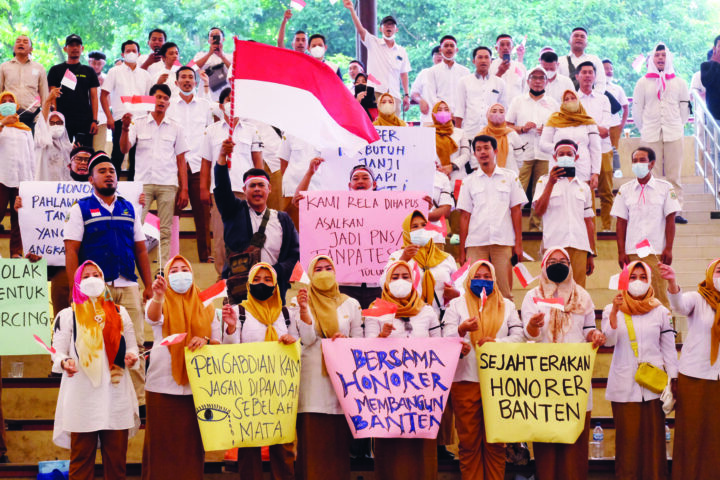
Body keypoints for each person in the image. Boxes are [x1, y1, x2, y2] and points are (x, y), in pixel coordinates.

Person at [63, 151, 153, 411]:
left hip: (128, 283)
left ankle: (139, 400)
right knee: (96, 340)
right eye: (102, 171)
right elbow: (71, 251)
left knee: (134, 340)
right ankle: (99, 397)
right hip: (94, 288)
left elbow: (140, 249)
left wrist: (147, 285)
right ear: (91, 179)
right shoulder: (79, 209)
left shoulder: (128, 207)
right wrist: (75, 288)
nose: (109, 174)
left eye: (112, 171)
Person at [521, 247, 605, 480]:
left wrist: (594, 336)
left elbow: (588, 329)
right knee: (546, 439)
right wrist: (534, 325)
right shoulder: (532, 296)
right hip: (544, 379)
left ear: (570, 265)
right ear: (544, 265)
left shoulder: (582, 296)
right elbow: (529, 336)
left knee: (574, 440)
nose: (558, 264)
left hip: (574, 379)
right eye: (553, 260)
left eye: (563, 261)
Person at [51, 260, 140, 479]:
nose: (92, 279)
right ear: (78, 283)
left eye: (96, 275)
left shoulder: (121, 313)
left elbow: (132, 349)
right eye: (86, 276)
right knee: (81, 460)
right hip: (82, 396)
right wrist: (64, 362)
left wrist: (131, 358)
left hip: (116, 395)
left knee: (117, 461)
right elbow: (58, 352)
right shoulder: (67, 315)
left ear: (104, 280)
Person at [142, 255, 225, 480]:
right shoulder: (160, 300)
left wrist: (205, 341)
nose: (180, 274)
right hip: (162, 385)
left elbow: (217, 340)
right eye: (174, 271)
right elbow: (152, 318)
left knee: (190, 447)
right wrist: (158, 296)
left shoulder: (206, 303)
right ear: (167, 277)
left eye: (184, 269)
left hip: (196, 387)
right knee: (161, 446)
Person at [444, 260, 525, 480]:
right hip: (465, 381)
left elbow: (519, 336)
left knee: (496, 443)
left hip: (499, 383)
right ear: (469, 279)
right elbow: (445, 339)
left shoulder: (506, 305)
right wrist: (461, 330)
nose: (483, 280)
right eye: (478, 276)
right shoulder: (456, 305)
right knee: (469, 443)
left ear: (495, 279)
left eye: (488, 277)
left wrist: (496, 344)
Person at [221, 262, 298, 480]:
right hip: (248, 392)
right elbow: (230, 352)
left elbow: (298, 345)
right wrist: (231, 328)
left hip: (280, 391)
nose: (261, 284)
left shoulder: (285, 314)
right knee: (249, 448)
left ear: (275, 285)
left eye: (267, 280)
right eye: (256, 279)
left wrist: (292, 341)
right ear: (248, 283)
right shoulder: (238, 312)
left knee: (283, 448)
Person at [364, 260, 440, 480]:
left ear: (413, 280)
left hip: (421, 393)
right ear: (387, 281)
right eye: (395, 277)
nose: (400, 281)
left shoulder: (426, 311)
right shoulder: (375, 310)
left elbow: (440, 346)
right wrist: (381, 337)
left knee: (420, 445)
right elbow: (365, 351)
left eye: (405, 276)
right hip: (388, 395)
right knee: (391, 446)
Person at [602, 260, 676, 480]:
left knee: (654, 444)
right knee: (628, 443)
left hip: (653, 386)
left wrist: (673, 379)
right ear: (625, 281)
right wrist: (615, 310)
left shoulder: (660, 310)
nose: (638, 282)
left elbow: (669, 348)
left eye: (643, 277)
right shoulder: (611, 308)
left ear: (650, 280)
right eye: (633, 277)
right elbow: (608, 340)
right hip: (624, 387)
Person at [291, 255, 362, 480]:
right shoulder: (299, 302)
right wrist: (304, 310)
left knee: (336, 439)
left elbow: (360, 342)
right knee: (312, 438)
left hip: (340, 381)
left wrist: (345, 341)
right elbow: (306, 339)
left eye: (328, 267)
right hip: (311, 380)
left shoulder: (350, 303)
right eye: (318, 269)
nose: (323, 272)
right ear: (311, 275)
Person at [214, 139, 299, 302]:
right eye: (252, 186)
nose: (257, 189)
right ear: (244, 190)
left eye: (261, 185)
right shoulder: (234, 212)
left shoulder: (283, 219)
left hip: (273, 289)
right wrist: (222, 156)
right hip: (240, 293)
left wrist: (275, 272)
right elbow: (222, 188)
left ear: (269, 189)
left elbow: (293, 254)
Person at [660, 259, 720, 479]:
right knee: (692, 433)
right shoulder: (698, 298)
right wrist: (672, 282)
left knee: (716, 434)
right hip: (694, 376)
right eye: (719, 270)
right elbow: (678, 306)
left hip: (718, 379)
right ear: (709, 273)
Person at [119, 83, 189, 269]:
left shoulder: (176, 127)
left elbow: (182, 160)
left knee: (166, 230)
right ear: (151, 99)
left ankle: (163, 269)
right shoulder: (137, 122)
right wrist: (125, 128)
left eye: (166, 98)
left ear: (168, 103)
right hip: (142, 184)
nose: (162, 101)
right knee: (136, 226)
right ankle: (131, 266)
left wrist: (184, 189)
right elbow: (124, 148)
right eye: (158, 97)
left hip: (168, 183)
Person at [201, 87, 264, 276]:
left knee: (249, 234)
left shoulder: (252, 130)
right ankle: (222, 275)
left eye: (235, 100)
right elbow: (206, 162)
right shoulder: (211, 131)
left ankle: (249, 275)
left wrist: (259, 186)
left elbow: (258, 162)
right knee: (220, 236)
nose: (232, 104)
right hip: (220, 191)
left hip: (246, 190)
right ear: (221, 105)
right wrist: (204, 188)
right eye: (228, 100)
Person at [457, 135, 527, 300]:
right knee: (474, 291)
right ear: (474, 154)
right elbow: (464, 217)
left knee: (504, 292)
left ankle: (506, 325)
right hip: (476, 242)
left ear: (495, 150)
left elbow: (516, 211)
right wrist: (462, 251)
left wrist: (518, 244)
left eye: (486, 148)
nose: (482, 152)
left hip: (503, 242)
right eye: (478, 149)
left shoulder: (510, 177)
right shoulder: (468, 181)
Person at [611, 146, 680, 308]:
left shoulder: (665, 188)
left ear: (651, 163)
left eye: (642, 160)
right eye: (635, 161)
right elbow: (621, 223)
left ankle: (666, 331)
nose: (638, 164)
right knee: (633, 295)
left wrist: (668, 248)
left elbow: (671, 219)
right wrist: (621, 251)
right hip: (632, 252)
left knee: (659, 296)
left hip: (655, 251)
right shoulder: (625, 189)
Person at [633, 43, 690, 224]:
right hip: (650, 133)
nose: (660, 58)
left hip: (673, 132)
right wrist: (644, 128)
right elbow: (637, 109)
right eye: (657, 55)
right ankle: (655, 211)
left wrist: (676, 126)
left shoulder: (679, 82)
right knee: (653, 176)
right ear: (652, 58)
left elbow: (684, 110)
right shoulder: (642, 83)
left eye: (663, 55)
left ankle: (676, 210)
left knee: (674, 175)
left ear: (669, 58)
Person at [167, 66, 214, 263]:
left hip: (197, 165)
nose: (187, 80)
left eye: (190, 77)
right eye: (183, 77)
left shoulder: (205, 106)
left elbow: (210, 134)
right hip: (172, 166)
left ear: (195, 82)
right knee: (169, 214)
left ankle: (206, 256)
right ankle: (169, 257)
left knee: (202, 214)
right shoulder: (168, 105)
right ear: (176, 82)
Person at [533, 140, 595, 286]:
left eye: (569, 154)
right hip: (554, 244)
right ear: (555, 157)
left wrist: (590, 252)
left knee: (578, 290)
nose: (565, 156)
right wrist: (551, 183)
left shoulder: (584, 187)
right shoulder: (543, 182)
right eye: (561, 154)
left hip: (579, 245)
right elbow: (539, 211)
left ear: (576, 157)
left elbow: (588, 221)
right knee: (553, 289)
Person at [506, 65, 559, 230]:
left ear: (546, 82)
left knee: (541, 190)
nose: (537, 81)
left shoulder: (552, 103)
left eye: (541, 78)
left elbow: (560, 129)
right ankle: (512, 226)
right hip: (523, 153)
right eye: (534, 78)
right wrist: (522, 128)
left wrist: (548, 131)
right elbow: (506, 126)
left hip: (544, 153)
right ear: (528, 81)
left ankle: (535, 227)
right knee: (517, 189)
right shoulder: (518, 101)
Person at [380, 209, 458, 316]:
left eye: (424, 225)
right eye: (415, 227)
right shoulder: (398, 256)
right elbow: (384, 283)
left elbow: (461, 287)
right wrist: (403, 260)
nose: (421, 229)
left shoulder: (446, 258)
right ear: (407, 232)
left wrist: (456, 293)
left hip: (441, 318)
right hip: (411, 318)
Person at [343, 0, 411, 114]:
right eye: (385, 25)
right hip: (375, 93)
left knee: (395, 129)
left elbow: (404, 74)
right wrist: (351, 9)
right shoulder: (373, 42)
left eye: (392, 25)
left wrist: (407, 95)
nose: (388, 27)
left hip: (394, 95)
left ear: (396, 30)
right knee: (376, 127)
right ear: (381, 29)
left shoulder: (402, 51)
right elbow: (360, 30)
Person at [101, 40, 153, 180]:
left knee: (137, 158)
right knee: (117, 156)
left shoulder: (145, 75)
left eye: (134, 51)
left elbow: (149, 99)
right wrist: (109, 117)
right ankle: (113, 189)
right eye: (128, 51)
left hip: (141, 120)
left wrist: (150, 120)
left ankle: (134, 190)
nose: (131, 53)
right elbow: (104, 95)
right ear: (122, 54)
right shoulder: (114, 72)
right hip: (120, 119)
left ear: (139, 53)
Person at [575, 61, 614, 231]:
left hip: (603, 148)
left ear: (595, 76)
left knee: (606, 191)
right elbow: (572, 127)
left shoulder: (603, 99)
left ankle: (606, 226)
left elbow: (605, 130)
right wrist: (591, 128)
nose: (588, 75)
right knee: (582, 191)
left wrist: (586, 127)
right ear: (577, 76)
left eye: (591, 72)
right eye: (584, 72)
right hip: (580, 151)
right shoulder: (572, 99)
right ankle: (584, 228)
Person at [540, 89, 601, 190]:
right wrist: (562, 149)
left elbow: (595, 149)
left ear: (578, 101)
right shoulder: (554, 119)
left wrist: (595, 173)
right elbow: (543, 144)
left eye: (573, 98)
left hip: (582, 168)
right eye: (566, 99)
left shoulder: (588, 121)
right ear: (562, 103)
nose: (570, 101)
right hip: (558, 167)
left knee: (582, 199)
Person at [47, 34, 99, 145]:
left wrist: (94, 120)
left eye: (77, 45)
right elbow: (52, 96)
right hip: (63, 120)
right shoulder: (55, 70)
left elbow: (94, 97)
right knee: (61, 154)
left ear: (82, 48)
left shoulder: (89, 71)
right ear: (65, 49)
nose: (74, 48)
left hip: (85, 120)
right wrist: (55, 117)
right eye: (71, 45)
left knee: (85, 153)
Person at [0, 90, 34, 258]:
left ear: (16, 105)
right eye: (3, 101)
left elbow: (31, 156)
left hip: (22, 179)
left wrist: (31, 181)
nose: (7, 103)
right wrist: (3, 123)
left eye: (10, 100)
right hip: (2, 177)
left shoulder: (25, 129)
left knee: (18, 219)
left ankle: (15, 253)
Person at [0, 35, 48, 132]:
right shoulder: (3, 67)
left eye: (25, 42)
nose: (21, 43)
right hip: (8, 116)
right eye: (18, 41)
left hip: (33, 117)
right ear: (14, 47)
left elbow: (45, 96)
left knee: (31, 147)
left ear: (31, 49)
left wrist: (44, 119)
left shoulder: (39, 68)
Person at [456, 46, 507, 138]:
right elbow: (459, 110)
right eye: (480, 57)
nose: (483, 60)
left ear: (491, 61)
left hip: (493, 133)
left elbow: (504, 110)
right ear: (474, 61)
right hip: (469, 132)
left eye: (486, 57)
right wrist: (458, 135)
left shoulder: (499, 82)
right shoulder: (464, 81)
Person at [423, 35, 471, 116]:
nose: (449, 48)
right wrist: (443, 112)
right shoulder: (432, 71)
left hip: (460, 116)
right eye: (446, 46)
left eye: (452, 46)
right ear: (440, 49)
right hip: (440, 116)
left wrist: (459, 114)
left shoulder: (465, 71)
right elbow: (431, 95)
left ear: (456, 50)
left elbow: (468, 96)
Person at [34, 95, 73, 181]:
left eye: (59, 123)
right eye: (52, 123)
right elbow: (41, 124)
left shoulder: (69, 147)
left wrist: (76, 153)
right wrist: (48, 101)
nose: (56, 125)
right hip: (46, 188)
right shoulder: (42, 142)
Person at [428, 100, 471, 180]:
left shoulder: (460, 132)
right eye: (439, 110)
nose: (443, 112)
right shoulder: (427, 133)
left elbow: (466, 155)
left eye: (446, 109)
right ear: (433, 114)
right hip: (435, 176)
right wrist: (435, 167)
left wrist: (452, 167)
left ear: (451, 114)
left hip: (457, 177)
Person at [558, 27, 607, 93]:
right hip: (566, 100)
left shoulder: (595, 60)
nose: (579, 38)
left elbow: (600, 83)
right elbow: (557, 84)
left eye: (582, 37)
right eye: (576, 36)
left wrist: (592, 98)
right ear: (569, 41)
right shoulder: (560, 61)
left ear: (587, 43)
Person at [192, 27, 233, 101]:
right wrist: (209, 54)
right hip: (204, 95)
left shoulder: (230, 57)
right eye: (212, 36)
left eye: (217, 35)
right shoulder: (200, 55)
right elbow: (192, 68)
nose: (214, 38)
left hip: (225, 97)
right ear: (208, 40)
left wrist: (222, 56)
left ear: (223, 39)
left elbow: (235, 72)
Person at [478, 103, 521, 173]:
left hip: (509, 175)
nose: (498, 114)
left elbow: (519, 156)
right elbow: (475, 159)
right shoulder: (481, 135)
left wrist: (514, 171)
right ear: (487, 115)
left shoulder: (512, 133)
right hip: (487, 175)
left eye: (501, 112)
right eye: (494, 111)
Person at [602, 59, 629, 164]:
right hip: (600, 126)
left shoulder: (617, 88)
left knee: (613, 152)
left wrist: (622, 125)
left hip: (614, 126)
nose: (609, 71)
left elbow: (626, 107)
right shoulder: (595, 87)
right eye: (606, 68)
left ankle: (613, 175)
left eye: (611, 68)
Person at [490, 34, 526, 104]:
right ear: (496, 48)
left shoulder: (520, 67)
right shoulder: (490, 66)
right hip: (495, 108)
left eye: (508, 45)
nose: (505, 48)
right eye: (502, 45)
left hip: (516, 108)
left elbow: (524, 89)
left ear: (512, 47)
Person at [410, 46, 442, 124]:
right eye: (437, 54)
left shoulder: (452, 74)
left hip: (446, 120)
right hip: (428, 118)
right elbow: (414, 93)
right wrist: (420, 100)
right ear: (432, 58)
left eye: (442, 54)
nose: (440, 56)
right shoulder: (424, 73)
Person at [88, 51, 108, 152]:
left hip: (102, 119)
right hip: (85, 119)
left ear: (103, 64)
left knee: (99, 150)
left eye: (99, 64)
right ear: (89, 62)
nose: (96, 66)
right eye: (93, 63)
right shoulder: (83, 76)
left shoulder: (107, 79)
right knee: (85, 149)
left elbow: (110, 101)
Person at [701, 35, 720, 120]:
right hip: (714, 116)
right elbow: (706, 82)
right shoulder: (706, 66)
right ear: (714, 48)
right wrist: (715, 63)